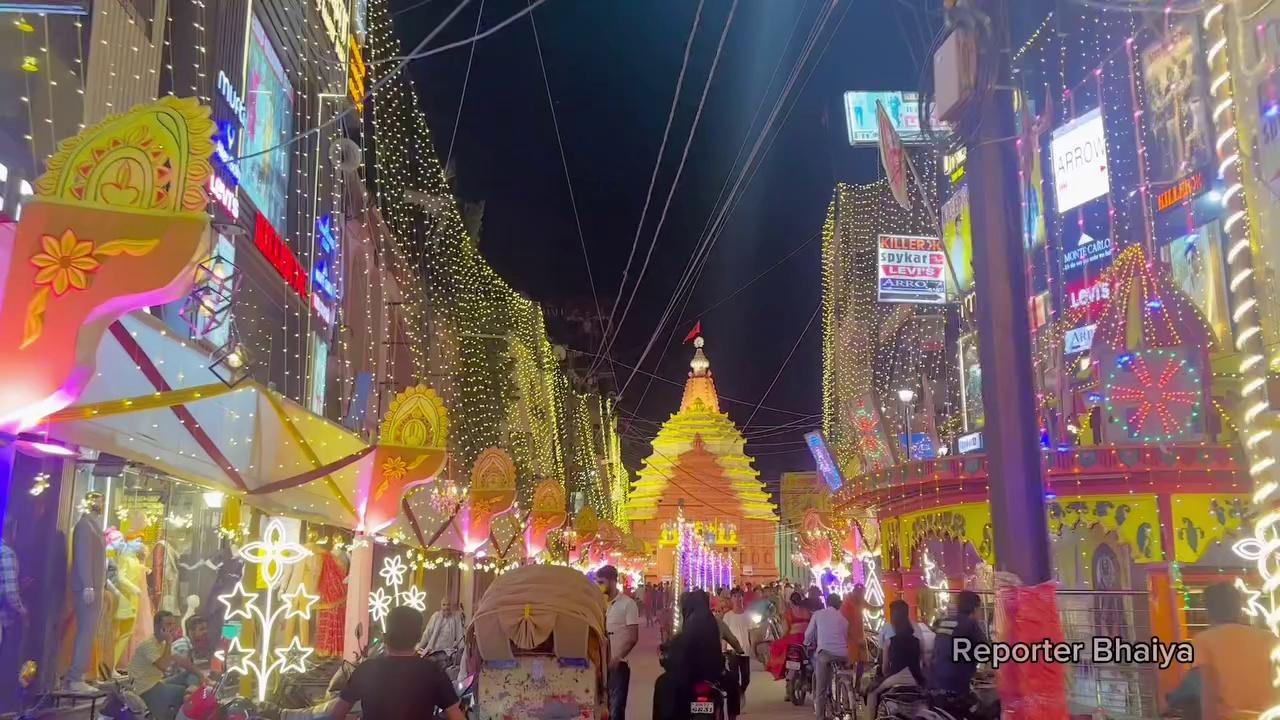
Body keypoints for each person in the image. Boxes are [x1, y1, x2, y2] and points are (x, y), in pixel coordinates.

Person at [333, 606, 463, 720]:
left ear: (385, 636)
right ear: (418, 637)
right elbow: (455, 715)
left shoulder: (366, 669)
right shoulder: (433, 671)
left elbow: (337, 713)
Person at [1190, 582, 1279, 719]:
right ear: (1239, 608)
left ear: (1208, 610)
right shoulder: (1269, 637)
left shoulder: (1203, 640)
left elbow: (1209, 690)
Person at [654, 590, 724, 720]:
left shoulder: (692, 622)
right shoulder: (711, 620)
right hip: (711, 674)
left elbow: (682, 645)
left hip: (690, 675)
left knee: (662, 684)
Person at [127, 611, 205, 720]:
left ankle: (189, 692)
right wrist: (169, 641)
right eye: (168, 624)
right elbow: (163, 665)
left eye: (173, 624)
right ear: (157, 626)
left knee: (192, 674)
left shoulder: (162, 643)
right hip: (145, 689)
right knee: (183, 693)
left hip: (158, 682)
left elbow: (183, 661)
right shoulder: (148, 644)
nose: (172, 628)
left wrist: (202, 676)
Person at [866, 601, 926, 720]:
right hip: (916, 679)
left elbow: (885, 668)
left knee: (872, 693)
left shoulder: (890, 641)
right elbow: (923, 663)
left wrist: (889, 676)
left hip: (895, 678)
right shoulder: (917, 639)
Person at [597, 565, 639, 720]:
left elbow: (633, 637)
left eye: (602, 582)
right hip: (599, 664)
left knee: (616, 709)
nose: (599, 586)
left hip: (618, 665)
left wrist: (618, 657)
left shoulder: (628, 604)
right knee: (600, 708)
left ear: (613, 581)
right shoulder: (598, 604)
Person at [931, 591, 987, 695]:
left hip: (936, 681)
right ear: (975, 608)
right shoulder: (970, 623)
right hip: (957, 684)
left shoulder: (944, 622)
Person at [805, 593, 849, 720]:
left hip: (825, 653)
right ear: (839, 605)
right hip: (842, 654)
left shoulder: (818, 614)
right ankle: (847, 701)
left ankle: (820, 716)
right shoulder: (843, 619)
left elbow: (808, 634)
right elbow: (845, 637)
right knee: (844, 674)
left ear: (827, 603)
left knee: (821, 687)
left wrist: (806, 642)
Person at [0, 517, 28, 711]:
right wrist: (23, 611)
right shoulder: (7, 553)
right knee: (8, 661)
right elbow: (10, 593)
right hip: (5, 619)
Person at [767, 590, 814, 680]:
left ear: (791, 602)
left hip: (793, 640)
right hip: (806, 639)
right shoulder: (807, 612)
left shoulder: (789, 613)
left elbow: (786, 630)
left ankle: (781, 672)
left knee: (775, 645)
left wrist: (781, 638)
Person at [721, 589, 754, 702]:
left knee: (746, 679)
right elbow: (725, 635)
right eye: (734, 596)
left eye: (739, 596)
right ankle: (736, 700)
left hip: (745, 651)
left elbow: (752, 633)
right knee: (734, 677)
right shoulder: (727, 616)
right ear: (731, 599)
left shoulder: (748, 615)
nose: (737, 599)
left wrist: (753, 647)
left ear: (742, 598)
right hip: (732, 652)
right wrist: (723, 649)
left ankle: (740, 692)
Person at [168, 615, 212, 685]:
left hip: (174, 678)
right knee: (193, 674)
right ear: (191, 631)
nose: (206, 632)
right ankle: (190, 694)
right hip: (167, 680)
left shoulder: (189, 644)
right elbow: (186, 670)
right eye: (202, 629)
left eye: (206, 628)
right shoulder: (183, 646)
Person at [840, 584, 869, 690]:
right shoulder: (847, 602)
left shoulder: (860, 600)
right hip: (850, 637)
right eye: (861, 594)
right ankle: (848, 685)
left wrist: (883, 606)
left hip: (860, 635)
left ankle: (857, 684)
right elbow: (844, 620)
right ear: (856, 592)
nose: (862, 596)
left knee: (861, 661)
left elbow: (870, 607)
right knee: (850, 662)